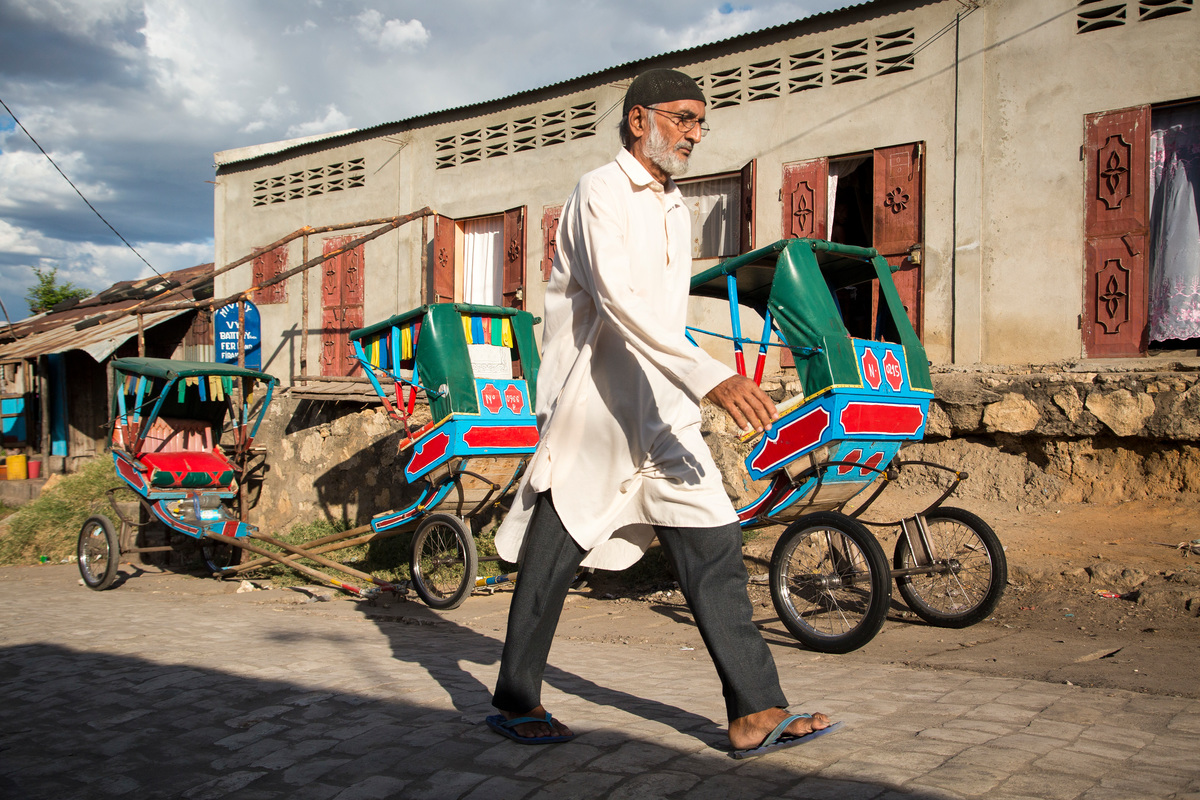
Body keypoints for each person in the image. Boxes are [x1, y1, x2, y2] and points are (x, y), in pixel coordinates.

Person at [486, 68, 837, 757]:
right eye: (682, 118)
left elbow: (663, 318)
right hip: (596, 407)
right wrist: (711, 376)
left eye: (701, 122)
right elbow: (618, 301)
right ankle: (517, 697)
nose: (695, 133)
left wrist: (690, 384)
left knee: (714, 540)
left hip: (665, 407)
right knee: (555, 549)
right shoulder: (599, 191)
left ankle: (755, 710)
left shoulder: (677, 208)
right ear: (638, 119)